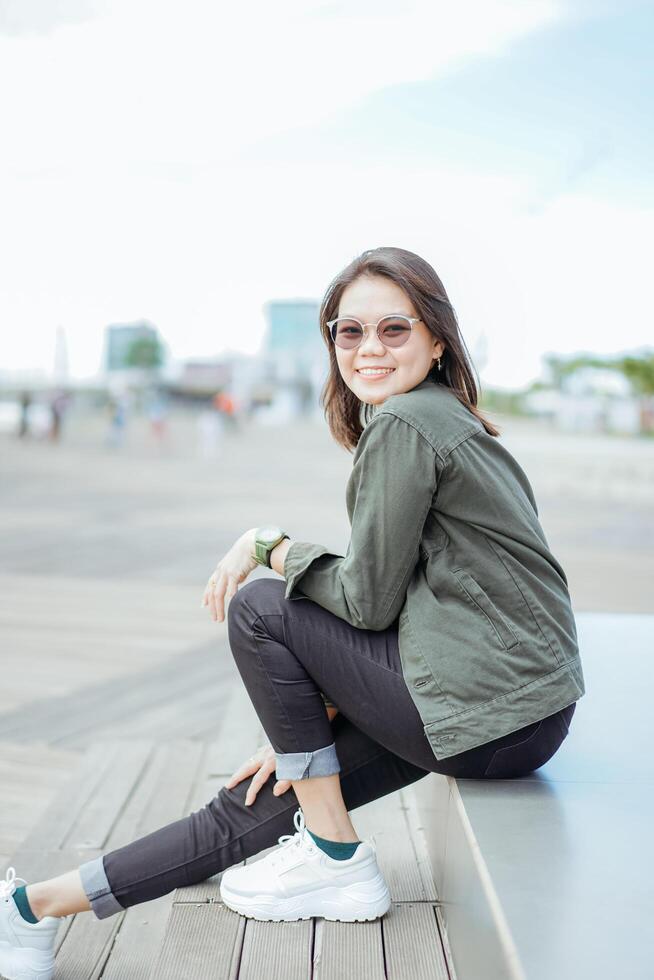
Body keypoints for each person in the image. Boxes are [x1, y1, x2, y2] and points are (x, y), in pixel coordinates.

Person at [0, 246, 585, 978]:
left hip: (478, 709)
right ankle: (32, 911)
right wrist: (324, 715)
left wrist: (265, 543)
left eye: (395, 330)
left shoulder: (407, 424)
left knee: (260, 606)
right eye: (350, 331)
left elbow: (367, 602)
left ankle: (335, 855)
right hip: (520, 719)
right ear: (331, 341)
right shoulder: (447, 422)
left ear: (438, 339)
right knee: (261, 796)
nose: (369, 348)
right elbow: (431, 597)